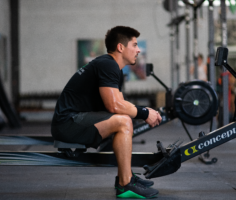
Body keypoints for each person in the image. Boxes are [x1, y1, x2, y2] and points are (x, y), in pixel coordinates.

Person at [51, 26, 161, 199]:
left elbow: (120, 102)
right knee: (124, 121)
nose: (139, 50)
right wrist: (145, 113)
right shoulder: (108, 64)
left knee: (124, 119)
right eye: (135, 45)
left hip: (76, 120)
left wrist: (145, 111)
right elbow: (114, 106)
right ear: (120, 47)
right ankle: (125, 184)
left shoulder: (111, 67)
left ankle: (126, 177)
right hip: (67, 123)